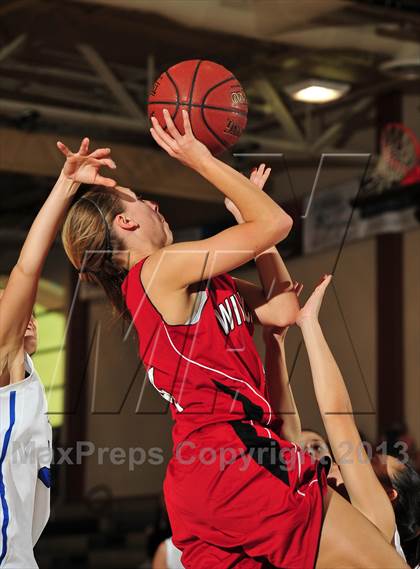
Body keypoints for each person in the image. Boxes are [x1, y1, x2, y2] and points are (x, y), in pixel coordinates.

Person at [62, 109, 408, 568]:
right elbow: (278, 222)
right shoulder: (159, 268)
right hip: (235, 460)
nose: (154, 206)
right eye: (141, 201)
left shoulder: (191, 277)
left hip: (206, 478)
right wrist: (201, 158)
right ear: (125, 225)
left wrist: (257, 229)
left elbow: (280, 309)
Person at [0, 137, 116, 567]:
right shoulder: (4, 360)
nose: (18, 308)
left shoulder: (20, 373)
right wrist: (65, 188)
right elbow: (27, 267)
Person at [297, 275, 419, 565]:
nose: (356, 458)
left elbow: (339, 418)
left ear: (387, 496)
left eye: (371, 463)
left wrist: (309, 323)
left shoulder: (378, 526)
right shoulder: (341, 527)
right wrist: (275, 340)